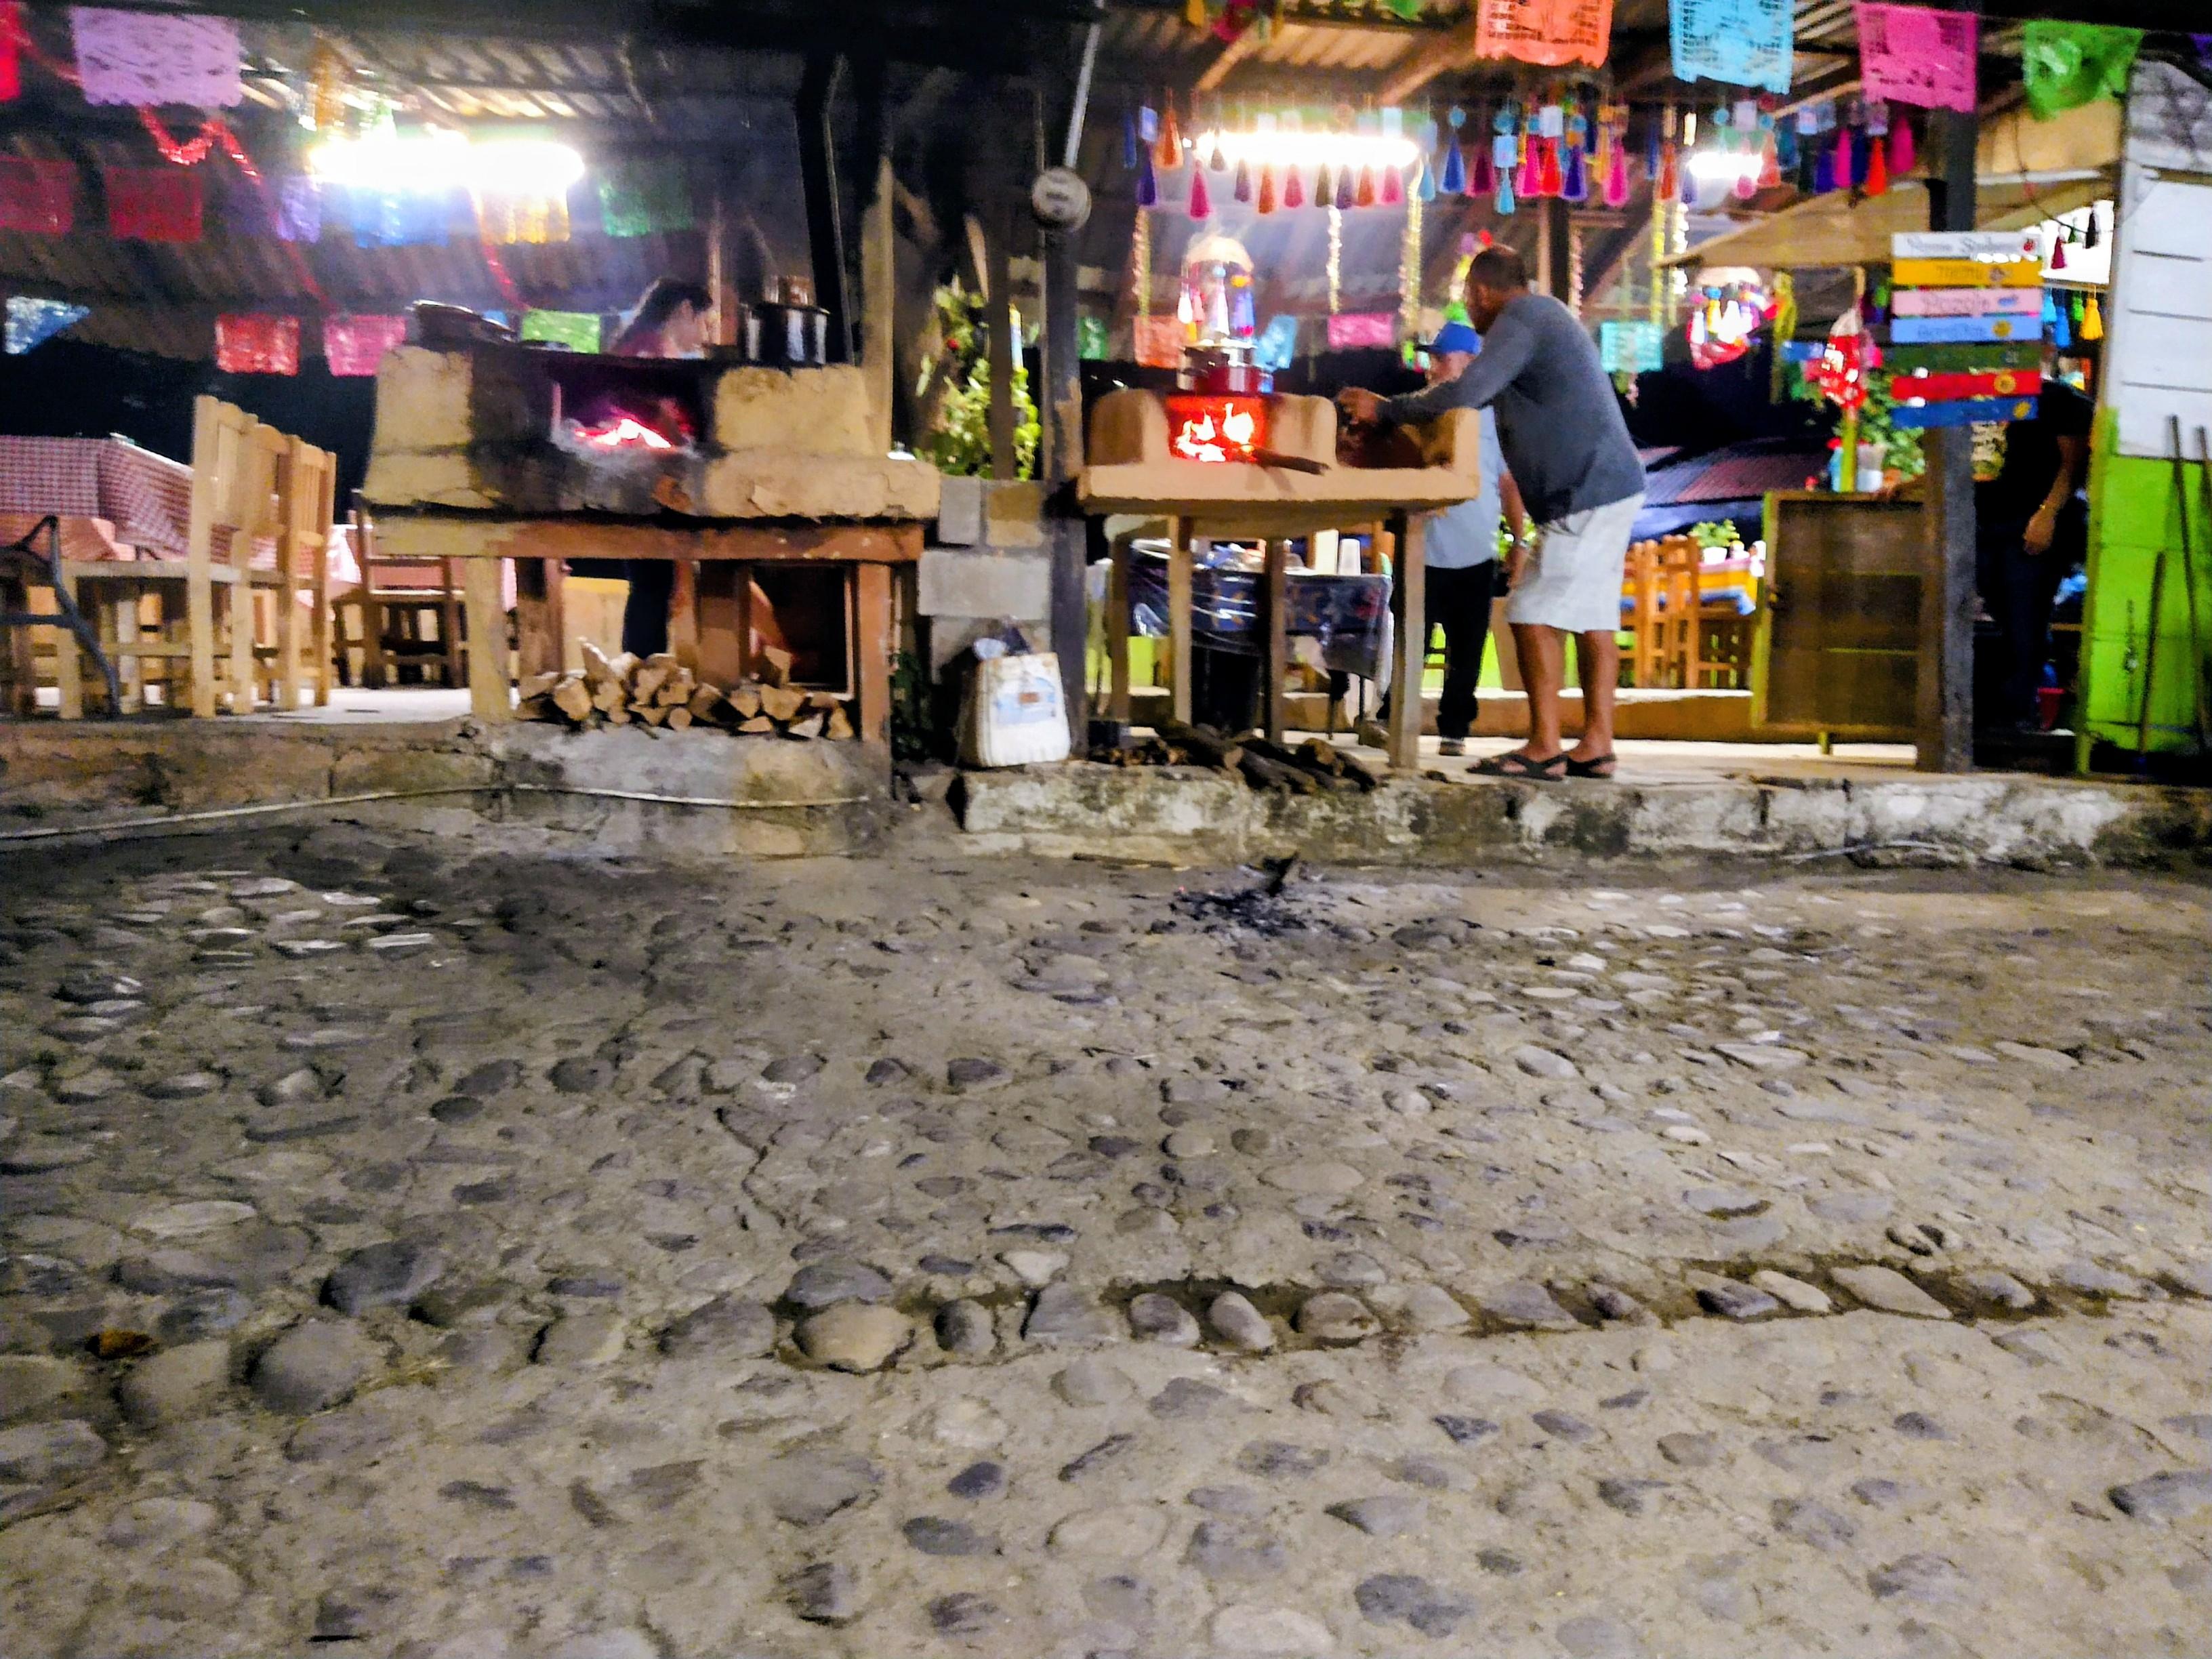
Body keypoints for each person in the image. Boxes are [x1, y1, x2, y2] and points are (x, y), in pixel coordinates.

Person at [1339, 247, 1645, 780]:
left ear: (1479, 293)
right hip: (1604, 486)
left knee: (1529, 612)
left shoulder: (1522, 317)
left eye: (1468, 299)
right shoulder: (1543, 317)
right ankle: (1597, 745)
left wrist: (1386, 410)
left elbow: (1469, 392)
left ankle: (1544, 746)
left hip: (1586, 490)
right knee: (1594, 620)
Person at [1370, 319, 1528, 755]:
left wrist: (1519, 542)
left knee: (1468, 647)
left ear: (1471, 364)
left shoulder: (1494, 417)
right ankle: (1392, 716)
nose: (1433, 367)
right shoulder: (1419, 412)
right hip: (1420, 547)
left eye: (1442, 358)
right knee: (1410, 640)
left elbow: (1507, 483)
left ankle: (1455, 728)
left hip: (1476, 550)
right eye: (1433, 359)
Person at [1975, 375, 2091, 729]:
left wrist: (2047, 514)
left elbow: (2073, 465)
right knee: (2003, 615)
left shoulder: (2055, 398)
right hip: (1989, 523)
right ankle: (2013, 708)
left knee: (2024, 618)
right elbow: (1973, 463)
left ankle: (2020, 712)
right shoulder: (1983, 398)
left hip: (2031, 525)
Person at [607, 280, 713, 657]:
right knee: (651, 586)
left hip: (640, 482)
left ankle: (641, 670)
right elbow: (648, 410)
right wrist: (685, 448)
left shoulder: (641, 343)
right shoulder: (648, 348)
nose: (705, 334)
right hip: (644, 485)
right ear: (684, 310)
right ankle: (641, 669)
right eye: (704, 322)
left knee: (651, 586)